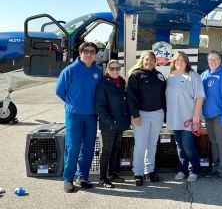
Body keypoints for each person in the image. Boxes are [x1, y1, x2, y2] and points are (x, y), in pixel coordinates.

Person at [55, 41, 103, 193]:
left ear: (96, 54)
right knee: (73, 146)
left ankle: (82, 176)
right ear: (80, 53)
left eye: (92, 52)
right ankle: (68, 178)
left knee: (88, 147)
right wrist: (73, 104)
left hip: (91, 115)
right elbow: (59, 91)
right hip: (74, 115)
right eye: (86, 51)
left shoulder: (98, 71)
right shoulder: (70, 70)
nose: (89, 54)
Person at [127, 51, 166, 186]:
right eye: (147, 59)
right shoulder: (136, 75)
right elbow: (131, 97)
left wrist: (165, 115)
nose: (149, 62)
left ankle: (149, 170)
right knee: (141, 145)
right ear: (142, 60)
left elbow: (163, 97)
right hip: (141, 115)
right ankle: (137, 172)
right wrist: (135, 115)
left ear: (155, 61)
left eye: (152, 60)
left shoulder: (160, 76)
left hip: (157, 114)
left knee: (152, 144)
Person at [166, 51, 205, 182]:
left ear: (187, 62)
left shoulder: (193, 76)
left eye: (182, 60)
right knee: (180, 146)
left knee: (188, 145)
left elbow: (200, 96)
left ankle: (194, 169)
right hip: (174, 117)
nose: (179, 62)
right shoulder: (169, 77)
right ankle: (182, 169)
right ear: (173, 62)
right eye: (177, 60)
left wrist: (196, 116)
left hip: (189, 117)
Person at [95, 60, 130, 188]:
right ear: (107, 70)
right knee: (107, 151)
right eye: (112, 68)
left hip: (120, 123)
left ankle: (112, 174)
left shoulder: (121, 82)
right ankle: (102, 178)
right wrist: (110, 121)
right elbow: (100, 107)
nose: (115, 70)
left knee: (116, 150)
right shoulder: (103, 84)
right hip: (109, 124)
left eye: (117, 68)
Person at [201, 51, 222, 180]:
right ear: (207, 61)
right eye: (210, 60)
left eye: (216, 59)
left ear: (220, 60)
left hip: (220, 115)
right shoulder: (204, 75)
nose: (213, 62)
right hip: (208, 116)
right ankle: (215, 166)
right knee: (213, 142)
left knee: (221, 142)